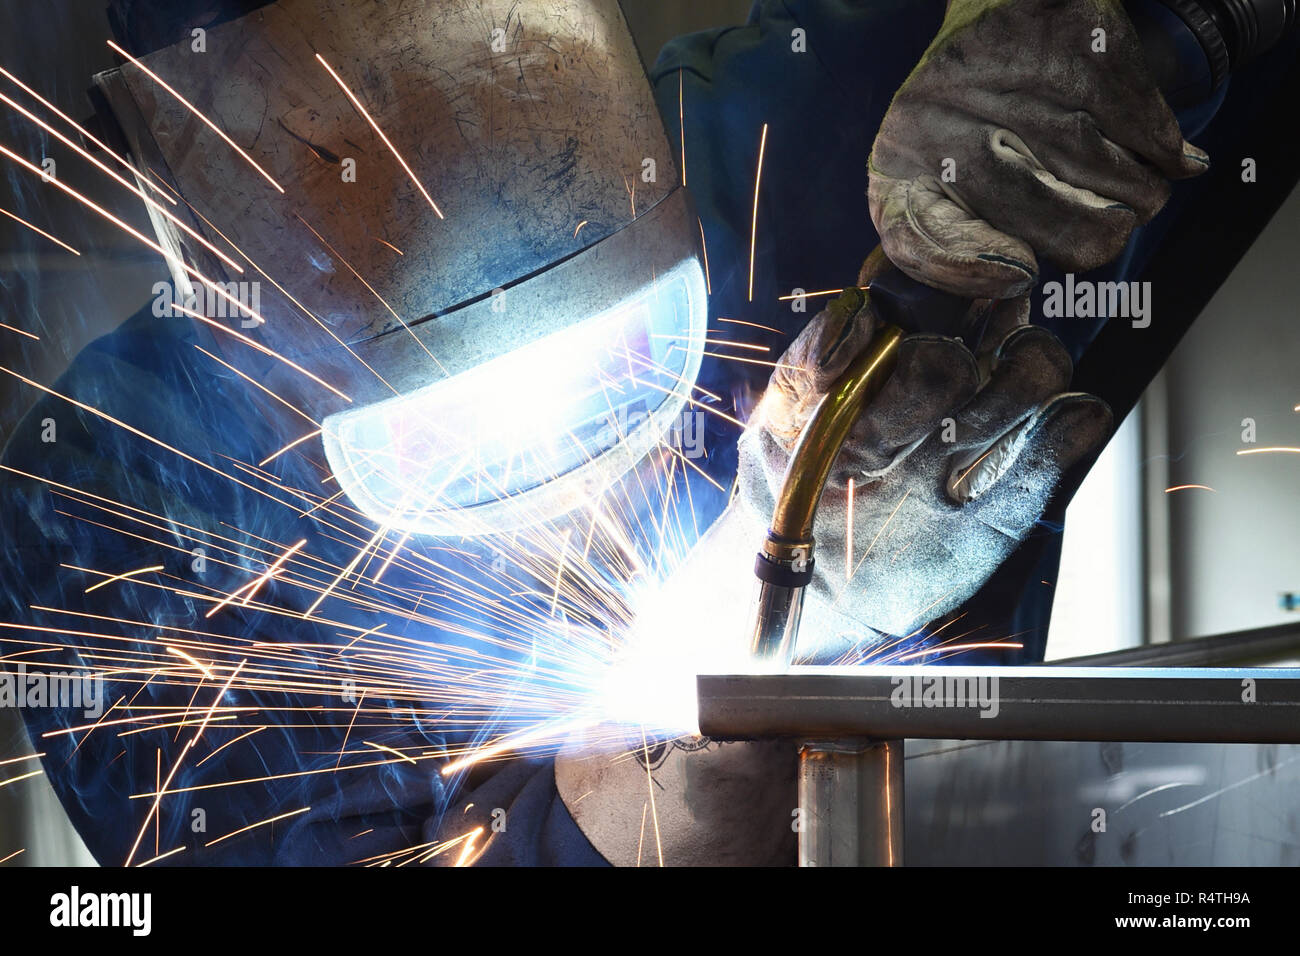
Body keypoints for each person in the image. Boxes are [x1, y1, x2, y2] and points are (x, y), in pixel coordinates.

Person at [1, 0, 1296, 866]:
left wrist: (1160, 36)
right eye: (325, 137)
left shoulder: (787, 142)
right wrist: (620, 835)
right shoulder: (112, 489)